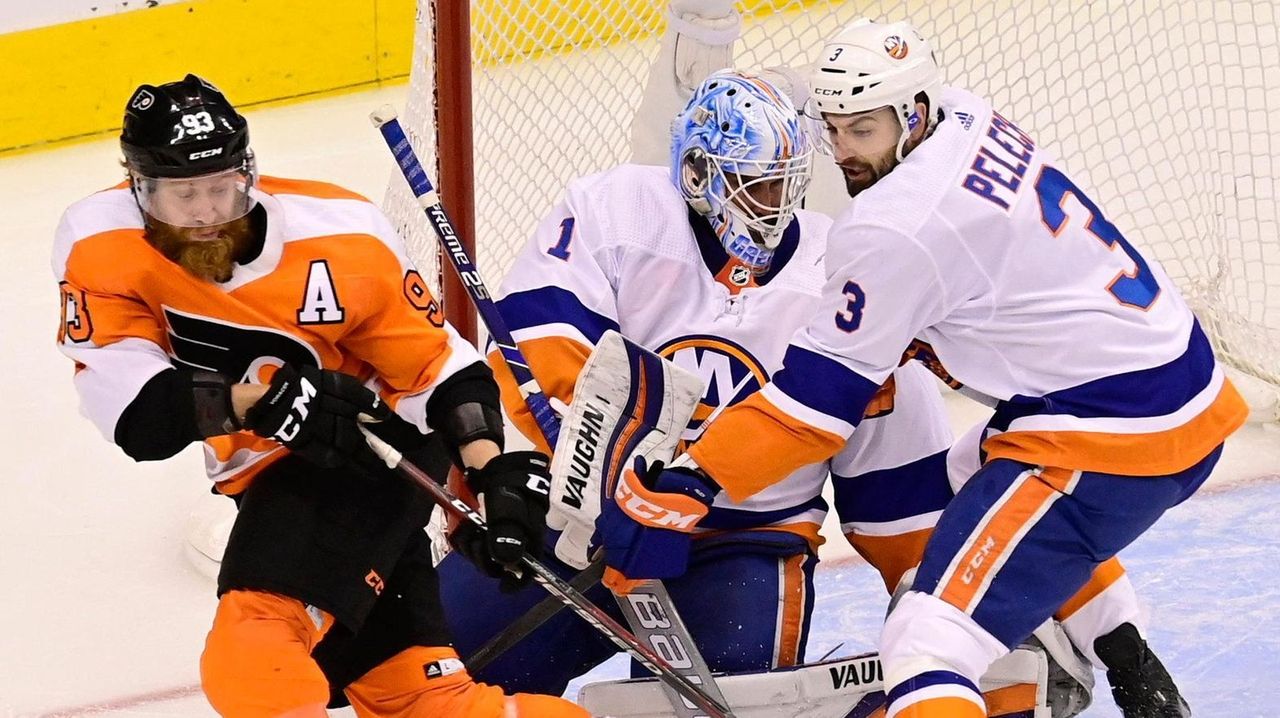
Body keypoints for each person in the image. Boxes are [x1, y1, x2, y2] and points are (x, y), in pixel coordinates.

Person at [609, 19, 1249, 718]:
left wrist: (696, 476)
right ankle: (1129, 657)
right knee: (968, 473)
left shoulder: (890, 229)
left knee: (925, 639)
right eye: (836, 127)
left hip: (1111, 442)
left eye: (864, 131)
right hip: (1185, 388)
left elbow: (810, 414)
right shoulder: (966, 115)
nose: (844, 151)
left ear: (912, 114)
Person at [52, 74, 588, 718]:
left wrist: (489, 471)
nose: (204, 213)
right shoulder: (98, 242)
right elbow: (137, 413)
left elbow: (436, 367)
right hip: (266, 473)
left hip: (371, 450)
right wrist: (256, 402)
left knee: (254, 657)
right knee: (421, 702)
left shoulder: (342, 232)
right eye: (180, 194)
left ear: (248, 174)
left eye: (220, 188)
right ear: (137, 187)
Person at [435, 69, 957, 693]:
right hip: (582, 518)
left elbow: (898, 486)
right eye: (754, 187)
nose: (774, 206)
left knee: (733, 699)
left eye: (783, 187)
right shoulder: (617, 211)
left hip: (750, 540)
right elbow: (541, 352)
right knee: (421, 670)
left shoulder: (844, 274)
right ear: (700, 173)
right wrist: (619, 485)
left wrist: (941, 622)